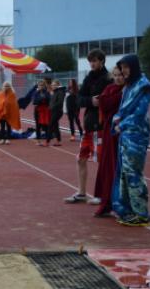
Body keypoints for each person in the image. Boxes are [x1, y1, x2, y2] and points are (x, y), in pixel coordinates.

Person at [64, 49, 111, 203]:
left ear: (102, 61)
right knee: (81, 159)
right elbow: (79, 99)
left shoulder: (108, 78)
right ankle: (82, 193)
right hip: (88, 125)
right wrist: (91, 101)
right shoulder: (89, 77)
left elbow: (111, 100)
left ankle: (102, 194)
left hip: (101, 126)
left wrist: (100, 102)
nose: (92, 63)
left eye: (95, 60)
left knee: (100, 161)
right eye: (90, 61)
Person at [111, 54, 150, 226]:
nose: (124, 71)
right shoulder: (129, 86)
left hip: (136, 136)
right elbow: (122, 109)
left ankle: (141, 213)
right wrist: (117, 117)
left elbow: (139, 113)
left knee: (134, 173)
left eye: (127, 67)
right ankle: (129, 210)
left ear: (134, 67)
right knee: (125, 174)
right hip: (126, 136)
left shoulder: (143, 86)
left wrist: (122, 124)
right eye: (122, 68)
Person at [92, 67, 124, 217]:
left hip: (123, 132)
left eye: (121, 75)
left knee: (120, 166)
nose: (118, 78)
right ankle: (107, 200)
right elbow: (103, 104)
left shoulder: (129, 89)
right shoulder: (110, 88)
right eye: (115, 75)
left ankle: (120, 202)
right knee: (108, 165)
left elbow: (106, 102)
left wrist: (107, 100)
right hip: (109, 132)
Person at [45, 80, 66, 147]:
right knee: (55, 126)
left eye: (54, 85)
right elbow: (52, 101)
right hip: (53, 111)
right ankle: (58, 141)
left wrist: (52, 107)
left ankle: (47, 141)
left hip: (58, 111)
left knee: (50, 125)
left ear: (58, 85)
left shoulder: (60, 92)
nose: (52, 86)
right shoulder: (55, 92)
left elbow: (60, 102)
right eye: (52, 85)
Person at [32, 80, 51, 146]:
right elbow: (34, 101)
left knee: (46, 126)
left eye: (42, 85)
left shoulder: (47, 92)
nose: (41, 86)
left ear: (44, 86)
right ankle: (38, 140)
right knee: (38, 126)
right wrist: (41, 99)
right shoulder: (36, 93)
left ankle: (47, 141)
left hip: (45, 111)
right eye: (39, 85)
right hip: (38, 111)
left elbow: (49, 100)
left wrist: (43, 99)